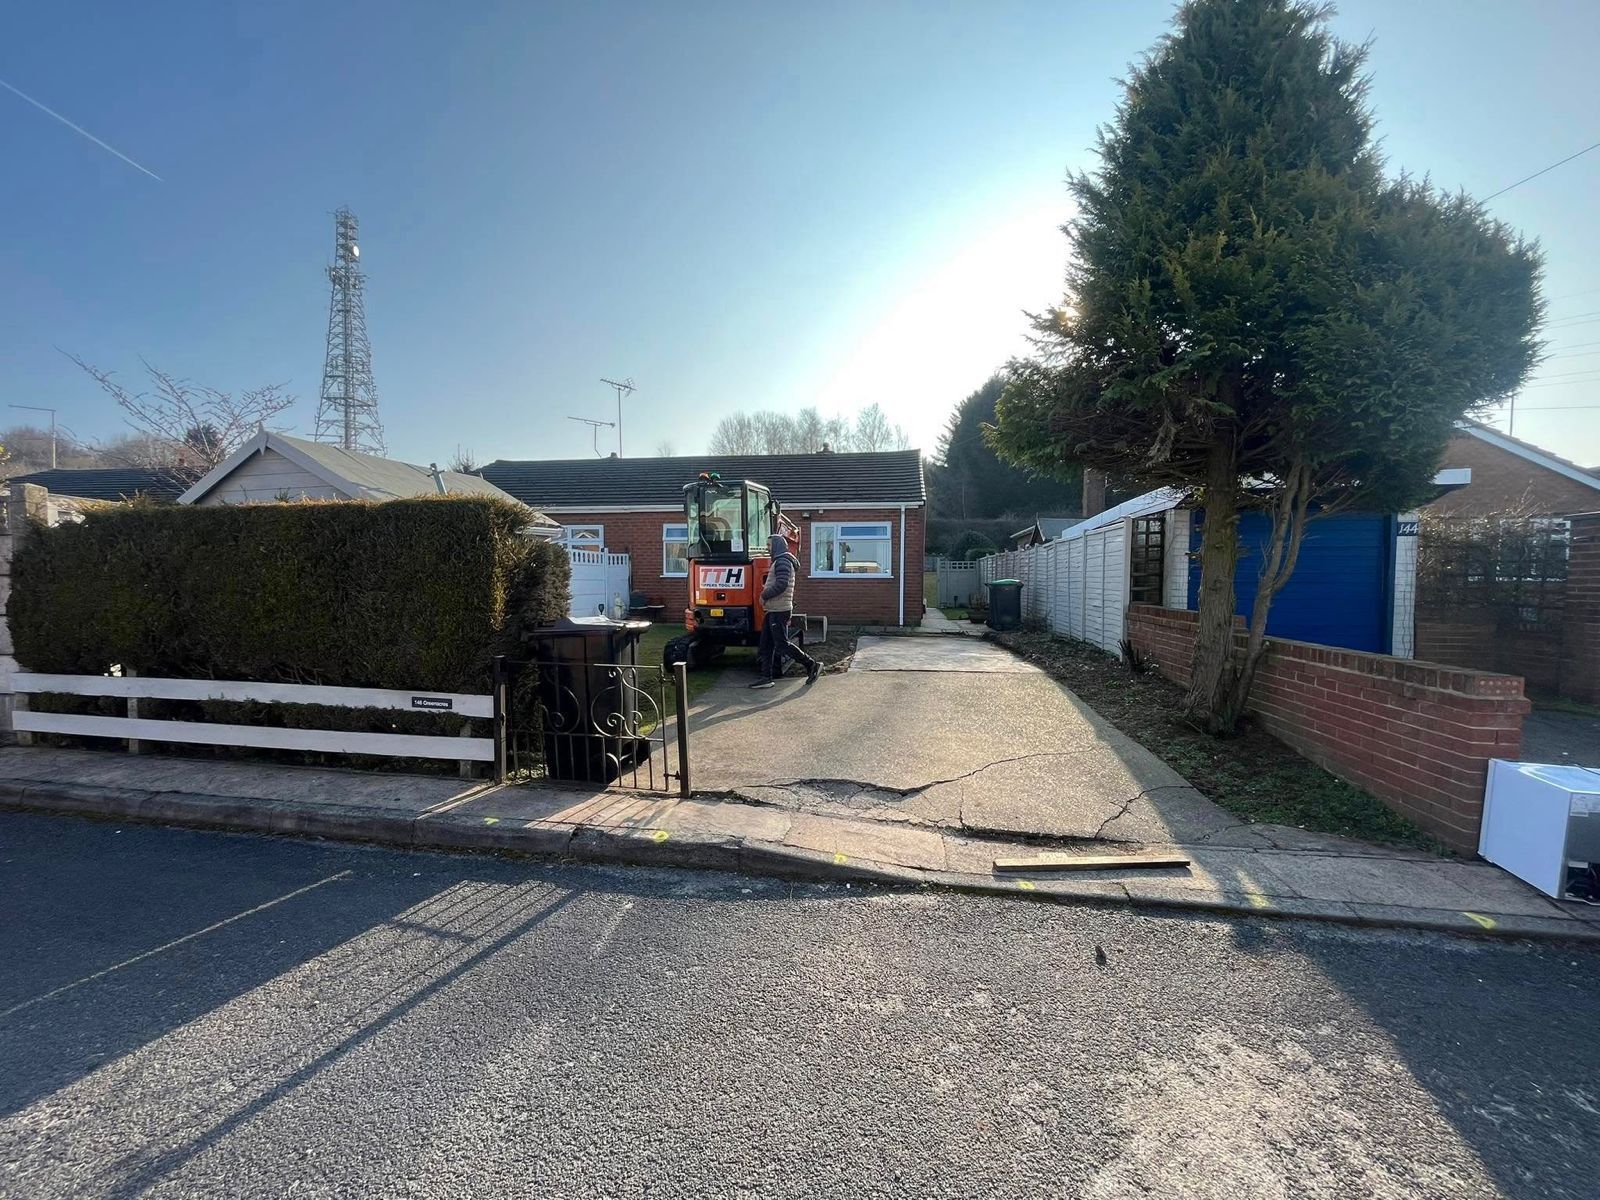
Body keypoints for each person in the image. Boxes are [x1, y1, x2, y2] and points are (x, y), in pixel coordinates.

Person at [750, 533, 820, 689]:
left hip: (779, 610)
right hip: (773, 609)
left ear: (776, 546)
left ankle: (812, 665)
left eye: (769, 545)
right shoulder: (780, 561)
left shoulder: (782, 561)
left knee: (782, 645)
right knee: (766, 645)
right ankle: (766, 678)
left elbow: (781, 584)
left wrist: (764, 595)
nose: (767, 548)